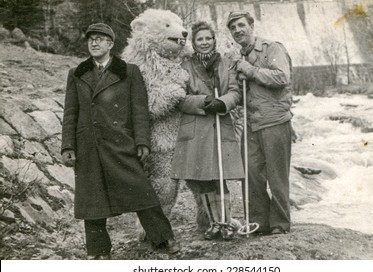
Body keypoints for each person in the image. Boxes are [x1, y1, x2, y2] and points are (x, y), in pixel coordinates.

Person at [61, 23, 180, 259]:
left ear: (111, 44)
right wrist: (67, 146)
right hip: (88, 145)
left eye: (100, 39)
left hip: (120, 143)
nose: (94, 43)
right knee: (91, 201)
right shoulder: (77, 73)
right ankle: (98, 251)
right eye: (90, 39)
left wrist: (142, 142)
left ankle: (163, 239)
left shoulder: (129, 71)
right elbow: (70, 113)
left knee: (142, 193)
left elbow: (139, 110)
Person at [170, 21, 244, 240]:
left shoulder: (226, 63)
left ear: (214, 40)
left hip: (220, 124)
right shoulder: (185, 67)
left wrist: (223, 103)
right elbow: (179, 98)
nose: (204, 43)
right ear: (194, 43)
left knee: (220, 176)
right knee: (203, 178)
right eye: (200, 39)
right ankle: (213, 223)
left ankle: (226, 223)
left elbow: (235, 91)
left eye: (208, 39)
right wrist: (203, 101)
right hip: (197, 128)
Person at [227, 11, 293, 235]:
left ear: (251, 26)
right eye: (233, 28)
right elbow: (244, 91)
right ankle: (259, 222)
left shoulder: (271, 48)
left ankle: (280, 224)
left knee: (277, 176)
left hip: (275, 121)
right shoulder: (238, 57)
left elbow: (282, 77)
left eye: (241, 25)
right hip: (251, 123)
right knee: (251, 174)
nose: (237, 30)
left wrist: (251, 71)